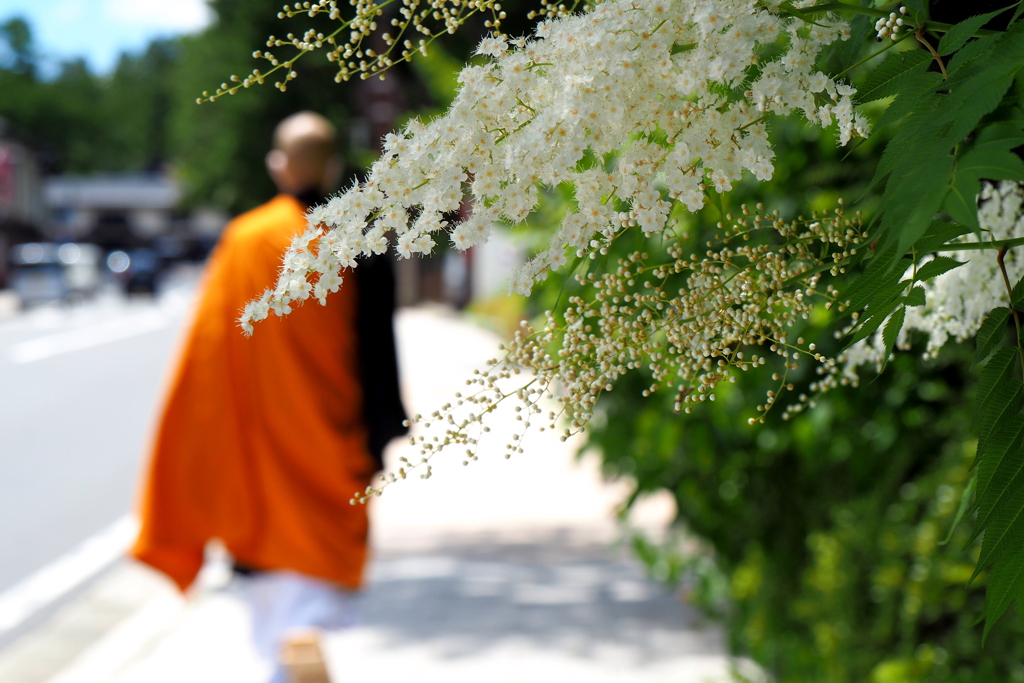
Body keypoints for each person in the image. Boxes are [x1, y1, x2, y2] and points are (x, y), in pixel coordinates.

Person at [131, 111, 406, 682]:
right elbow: (379, 351)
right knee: (312, 595)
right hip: (334, 450)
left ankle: (289, 644)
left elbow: (209, 362)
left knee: (276, 597)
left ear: (279, 165)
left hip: (263, 466)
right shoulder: (359, 237)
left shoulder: (247, 239)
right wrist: (384, 434)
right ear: (331, 167)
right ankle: (301, 636)